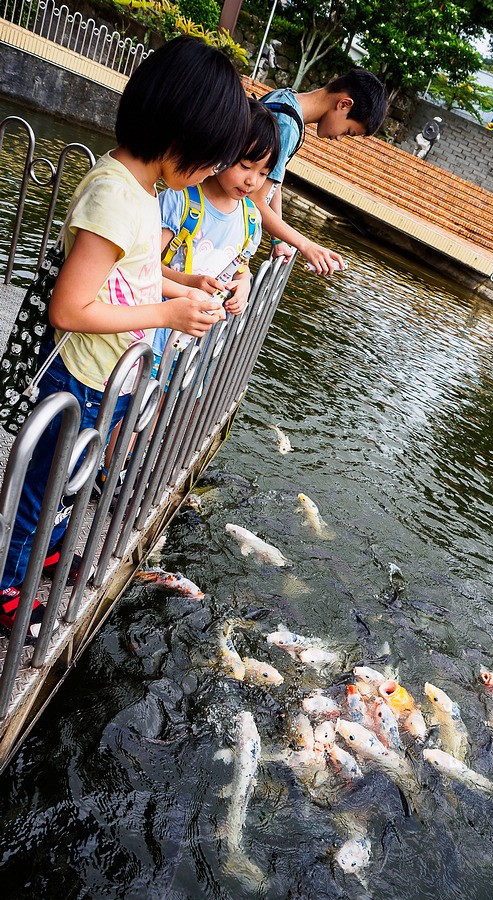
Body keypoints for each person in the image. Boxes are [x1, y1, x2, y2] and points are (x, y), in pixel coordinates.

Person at [0, 36, 250, 642]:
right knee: (43, 489)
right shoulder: (115, 193)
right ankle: (10, 593)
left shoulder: (144, 192)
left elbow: (125, 271)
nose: (214, 172)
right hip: (77, 377)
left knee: (70, 482)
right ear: (179, 133)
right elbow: (70, 306)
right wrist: (165, 315)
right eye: (211, 159)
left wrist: (177, 281)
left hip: (103, 377)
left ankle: (49, 559)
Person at [153, 98, 281, 364]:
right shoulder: (180, 200)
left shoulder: (250, 220)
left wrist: (243, 286)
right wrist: (189, 283)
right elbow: (142, 265)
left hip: (195, 339)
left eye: (263, 173)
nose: (252, 180)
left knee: (169, 397)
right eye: (245, 166)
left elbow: (240, 267)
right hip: (154, 328)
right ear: (223, 149)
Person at [253, 68, 388, 274]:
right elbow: (253, 201)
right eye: (348, 131)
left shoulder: (283, 98)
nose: (340, 138)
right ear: (344, 104)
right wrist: (305, 245)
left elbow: (273, 183)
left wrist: (278, 239)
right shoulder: (287, 125)